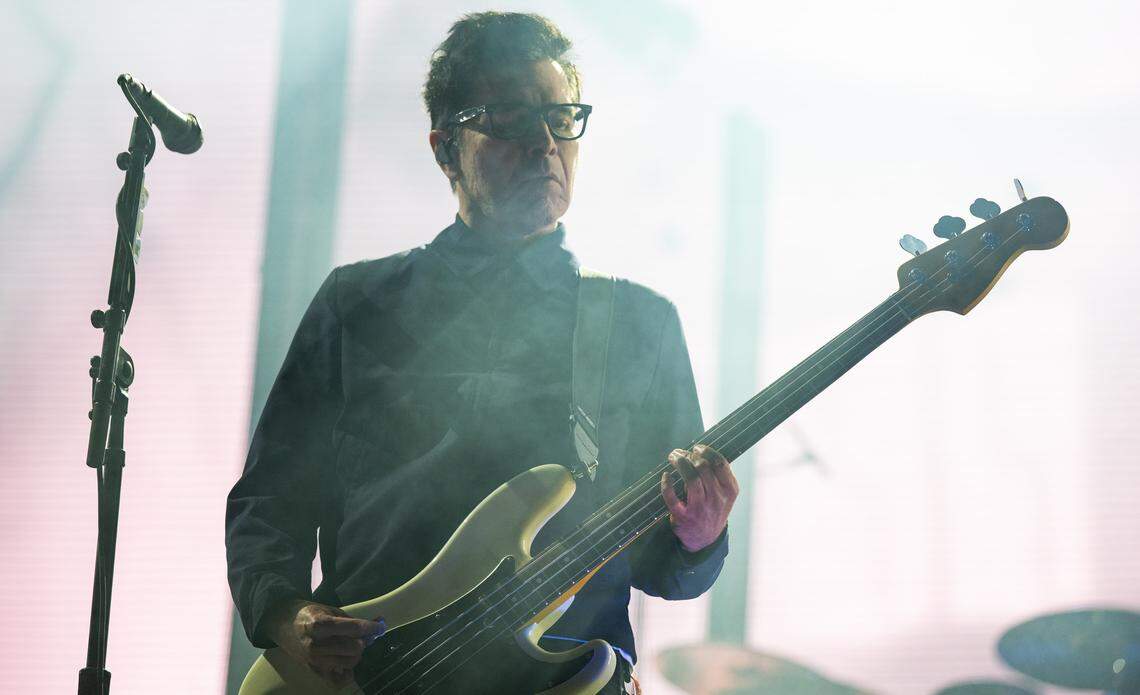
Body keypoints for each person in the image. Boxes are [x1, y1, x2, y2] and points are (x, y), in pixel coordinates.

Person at [226, 11, 738, 694]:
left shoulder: (639, 324)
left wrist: (701, 532)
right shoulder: (356, 304)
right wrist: (288, 614)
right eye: (508, 119)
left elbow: (666, 566)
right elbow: (269, 503)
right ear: (445, 147)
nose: (544, 143)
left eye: (562, 118)